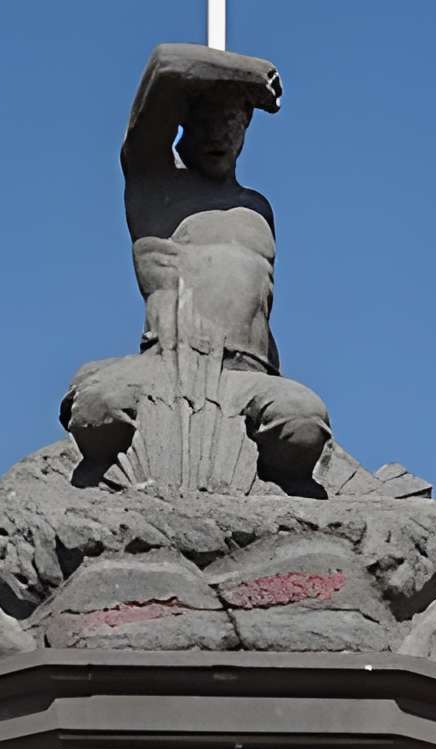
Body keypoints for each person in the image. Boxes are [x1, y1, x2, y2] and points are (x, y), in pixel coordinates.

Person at [61, 41, 331, 490]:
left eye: (229, 122)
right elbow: (166, 64)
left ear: (246, 126)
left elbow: (256, 306)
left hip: (245, 376)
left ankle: (275, 502)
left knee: (304, 425)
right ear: (183, 123)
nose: (217, 136)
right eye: (205, 122)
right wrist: (248, 74)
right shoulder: (155, 183)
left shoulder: (257, 210)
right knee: (98, 411)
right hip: (165, 365)